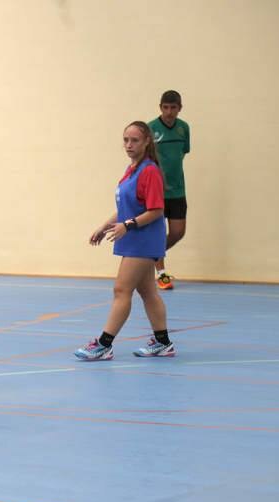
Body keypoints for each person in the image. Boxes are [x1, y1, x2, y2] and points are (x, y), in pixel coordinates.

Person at [75, 121, 175, 361]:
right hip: (134, 237)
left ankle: (103, 344)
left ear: (147, 142)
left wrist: (128, 226)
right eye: (126, 140)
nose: (129, 145)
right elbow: (126, 208)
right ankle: (163, 343)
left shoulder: (149, 170)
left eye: (135, 140)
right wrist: (105, 226)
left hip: (144, 238)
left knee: (121, 289)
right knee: (148, 291)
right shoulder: (132, 169)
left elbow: (156, 210)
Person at [148, 90, 191, 290]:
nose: (169, 112)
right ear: (160, 108)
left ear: (179, 108)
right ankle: (161, 274)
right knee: (158, 233)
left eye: (173, 108)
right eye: (165, 107)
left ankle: (148, 256)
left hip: (178, 190)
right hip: (157, 191)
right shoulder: (151, 128)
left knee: (177, 232)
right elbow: (146, 158)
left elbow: (182, 153)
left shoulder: (184, 128)